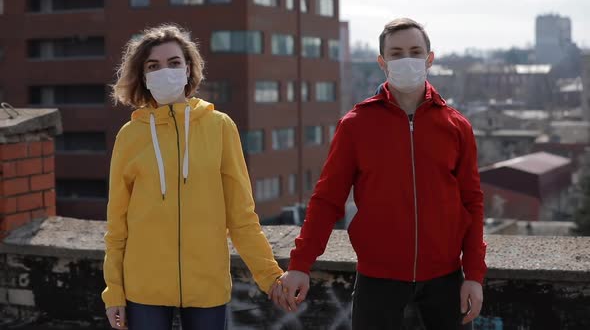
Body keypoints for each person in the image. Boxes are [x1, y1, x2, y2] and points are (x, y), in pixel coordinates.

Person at [271, 18, 487, 329]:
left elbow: (472, 202)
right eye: (396, 54)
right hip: (378, 278)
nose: (406, 60)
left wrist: (475, 275)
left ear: (429, 59)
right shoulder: (356, 124)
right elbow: (327, 199)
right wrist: (300, 264)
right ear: (382, 62)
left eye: (415, 52)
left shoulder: (456, 126)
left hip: (446, 279)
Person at [102, 24, 283, 330]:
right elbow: (117, 224)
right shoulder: (130, 136)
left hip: (207, 286)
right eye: (153, 66)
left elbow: (241, 216)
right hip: (143, 287)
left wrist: (271, 277)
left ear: (188, 69)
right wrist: (114, 292)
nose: (165, 71)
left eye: (174, 63)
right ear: (143, 76)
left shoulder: (220, 127)